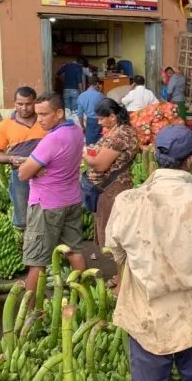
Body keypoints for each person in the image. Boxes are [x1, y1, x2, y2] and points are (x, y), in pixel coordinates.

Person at [105, 125, 192, 381]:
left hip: (146, 313)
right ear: (191, 159)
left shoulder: (127, 201)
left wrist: (123, 280)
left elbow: (116, 251)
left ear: (155, 156)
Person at [17, 93, 87, 307]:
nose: (39, 119)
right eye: (37, 114)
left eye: (44, 114)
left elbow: (22, 174)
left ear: (59, 113)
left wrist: (31, 166)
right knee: (74, 250)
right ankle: (85, 299)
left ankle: (28, 313)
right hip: (72, 200)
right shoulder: (76, 131)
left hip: (47, 205)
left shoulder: (52, 139)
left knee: (37, 261)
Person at [82, 99, 139, 246]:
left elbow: (100, 165)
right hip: (109, 188)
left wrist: (83, 154)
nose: (99, 123)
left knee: (113, 232)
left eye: (101, 118)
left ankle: (118, 267)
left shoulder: (121, 135)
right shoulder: (117, 130)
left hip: (115, 188)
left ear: (112, 117)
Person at [0, 87, 46, 230]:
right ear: (14, 103)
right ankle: (24, 245)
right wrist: (10, 159)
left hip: (47, 174)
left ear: (35, 102)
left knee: (49, 213)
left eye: (28, 104)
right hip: (21, 175)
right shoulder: (5, 125)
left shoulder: (45, 121)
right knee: (22, 216)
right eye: (20, 104)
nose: (24, 108)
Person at [77, 79, 106, 145]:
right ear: (97, 84)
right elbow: (106, 107)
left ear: (88, 84)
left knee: (90, 143)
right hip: (101, 120)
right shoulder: (100, 95)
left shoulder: (81, 96)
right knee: (101, 141)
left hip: (89, 121)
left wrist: (82, 126)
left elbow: (80, 114)